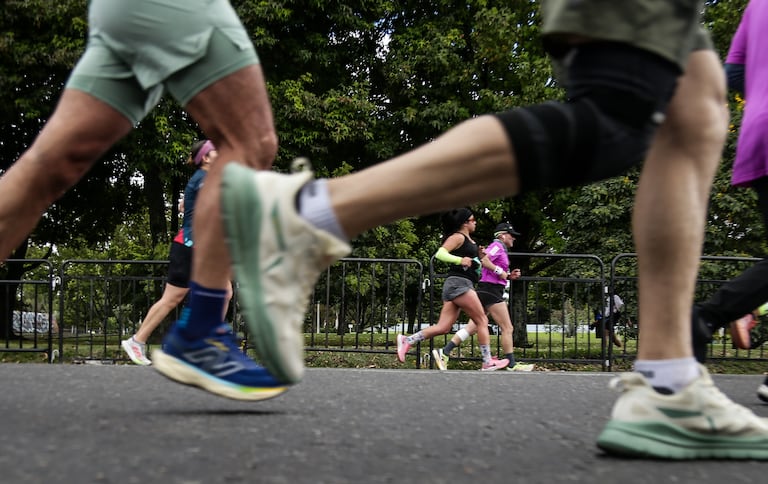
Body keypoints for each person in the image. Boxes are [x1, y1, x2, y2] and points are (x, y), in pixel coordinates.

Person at [218, 0, 768, 457]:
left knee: (696, 111)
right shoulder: (464, 241)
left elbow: (736, 75)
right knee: (623, 116)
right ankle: (305, 217)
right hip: (466, 285)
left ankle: (668, 384)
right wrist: (470, 261)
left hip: (476, 286)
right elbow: (442, 254)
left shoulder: (485, 245)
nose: (484, 225)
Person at [0, 0, 290, 400]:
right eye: (210, 153)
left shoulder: (199, 180)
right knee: (251, 144)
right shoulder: (200, 181)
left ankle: (182, 334)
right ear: (203, 158)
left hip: (120, 10)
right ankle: (198, 337)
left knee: (48, 167)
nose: (215, 156)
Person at [690, 0, 768, 404]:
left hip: (759, 133)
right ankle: (708, 317)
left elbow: (733, 74)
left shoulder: (757, 7)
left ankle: (709, 317)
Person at [121, 140, 233, 366]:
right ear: (206, 158)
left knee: (215, 293)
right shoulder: (204, 180)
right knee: (178, 298)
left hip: (193, 247)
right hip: (192, 247)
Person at [396, 208, 509, 371]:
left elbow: (473, 263)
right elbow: (440, 254)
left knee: (443, 327)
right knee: (482, 320)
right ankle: (487, 361)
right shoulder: (458, 237)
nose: (475, 222)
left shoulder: (471, 241)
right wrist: (459, 260)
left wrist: (479, 256)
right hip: (459, 284)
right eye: (473, 220)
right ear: (465, 223)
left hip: (460, 284)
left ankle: (408, 341)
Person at [433, 222, 534, 371]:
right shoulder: (496, 246)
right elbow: (484, 260)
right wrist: (502, 272)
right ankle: (511, 364)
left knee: (472, 328)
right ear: (502, 235)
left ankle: (445, 352)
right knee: (507, 327)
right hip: (491, 291)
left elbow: (495, 269)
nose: (514, 238)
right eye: (511, 235)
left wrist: (509, 276)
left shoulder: (501, 249)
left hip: (489, 290)